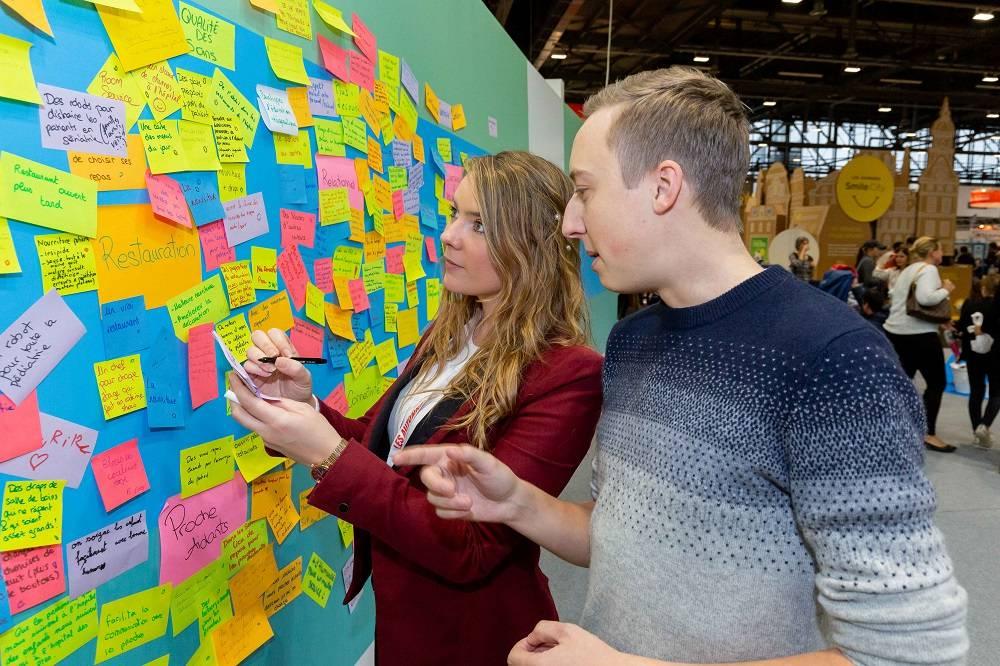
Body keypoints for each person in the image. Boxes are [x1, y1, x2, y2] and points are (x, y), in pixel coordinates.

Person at [396, 67, 967, 666]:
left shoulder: (832, 360)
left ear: (664, 186)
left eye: (585, 190)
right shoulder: (632, 342)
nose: (569, 222)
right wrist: (515, 502)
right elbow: (617, 535)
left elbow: (908, 654)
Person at [226, 151, 604, 665]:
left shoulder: (568, 373)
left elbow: (471, 545)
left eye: (479, 224)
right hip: (403, 615)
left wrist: (329, 455)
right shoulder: (451, 334)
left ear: (531, 246)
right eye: (453, 214)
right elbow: (384, 447)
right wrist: (303, 405)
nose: (448, 235)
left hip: (475, 635)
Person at [884, 236, 956, 452]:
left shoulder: (908, 270)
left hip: (896, 332)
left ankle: (894, 429)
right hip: (919, 335)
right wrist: (946, 289)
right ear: (932, 252)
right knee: (936, 383)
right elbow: (925, 298)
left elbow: (899, 298)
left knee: (902, 383)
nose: (942, 254)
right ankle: (927, 433)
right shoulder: (929, 269)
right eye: (940, 249)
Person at [958, 274, 1000, 448]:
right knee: (996, 392)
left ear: (983, 288)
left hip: (973, 353)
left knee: (976, 391)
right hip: (995, 354)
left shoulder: (969, 303)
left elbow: (961, 327)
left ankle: (976, 430)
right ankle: (985, 425)